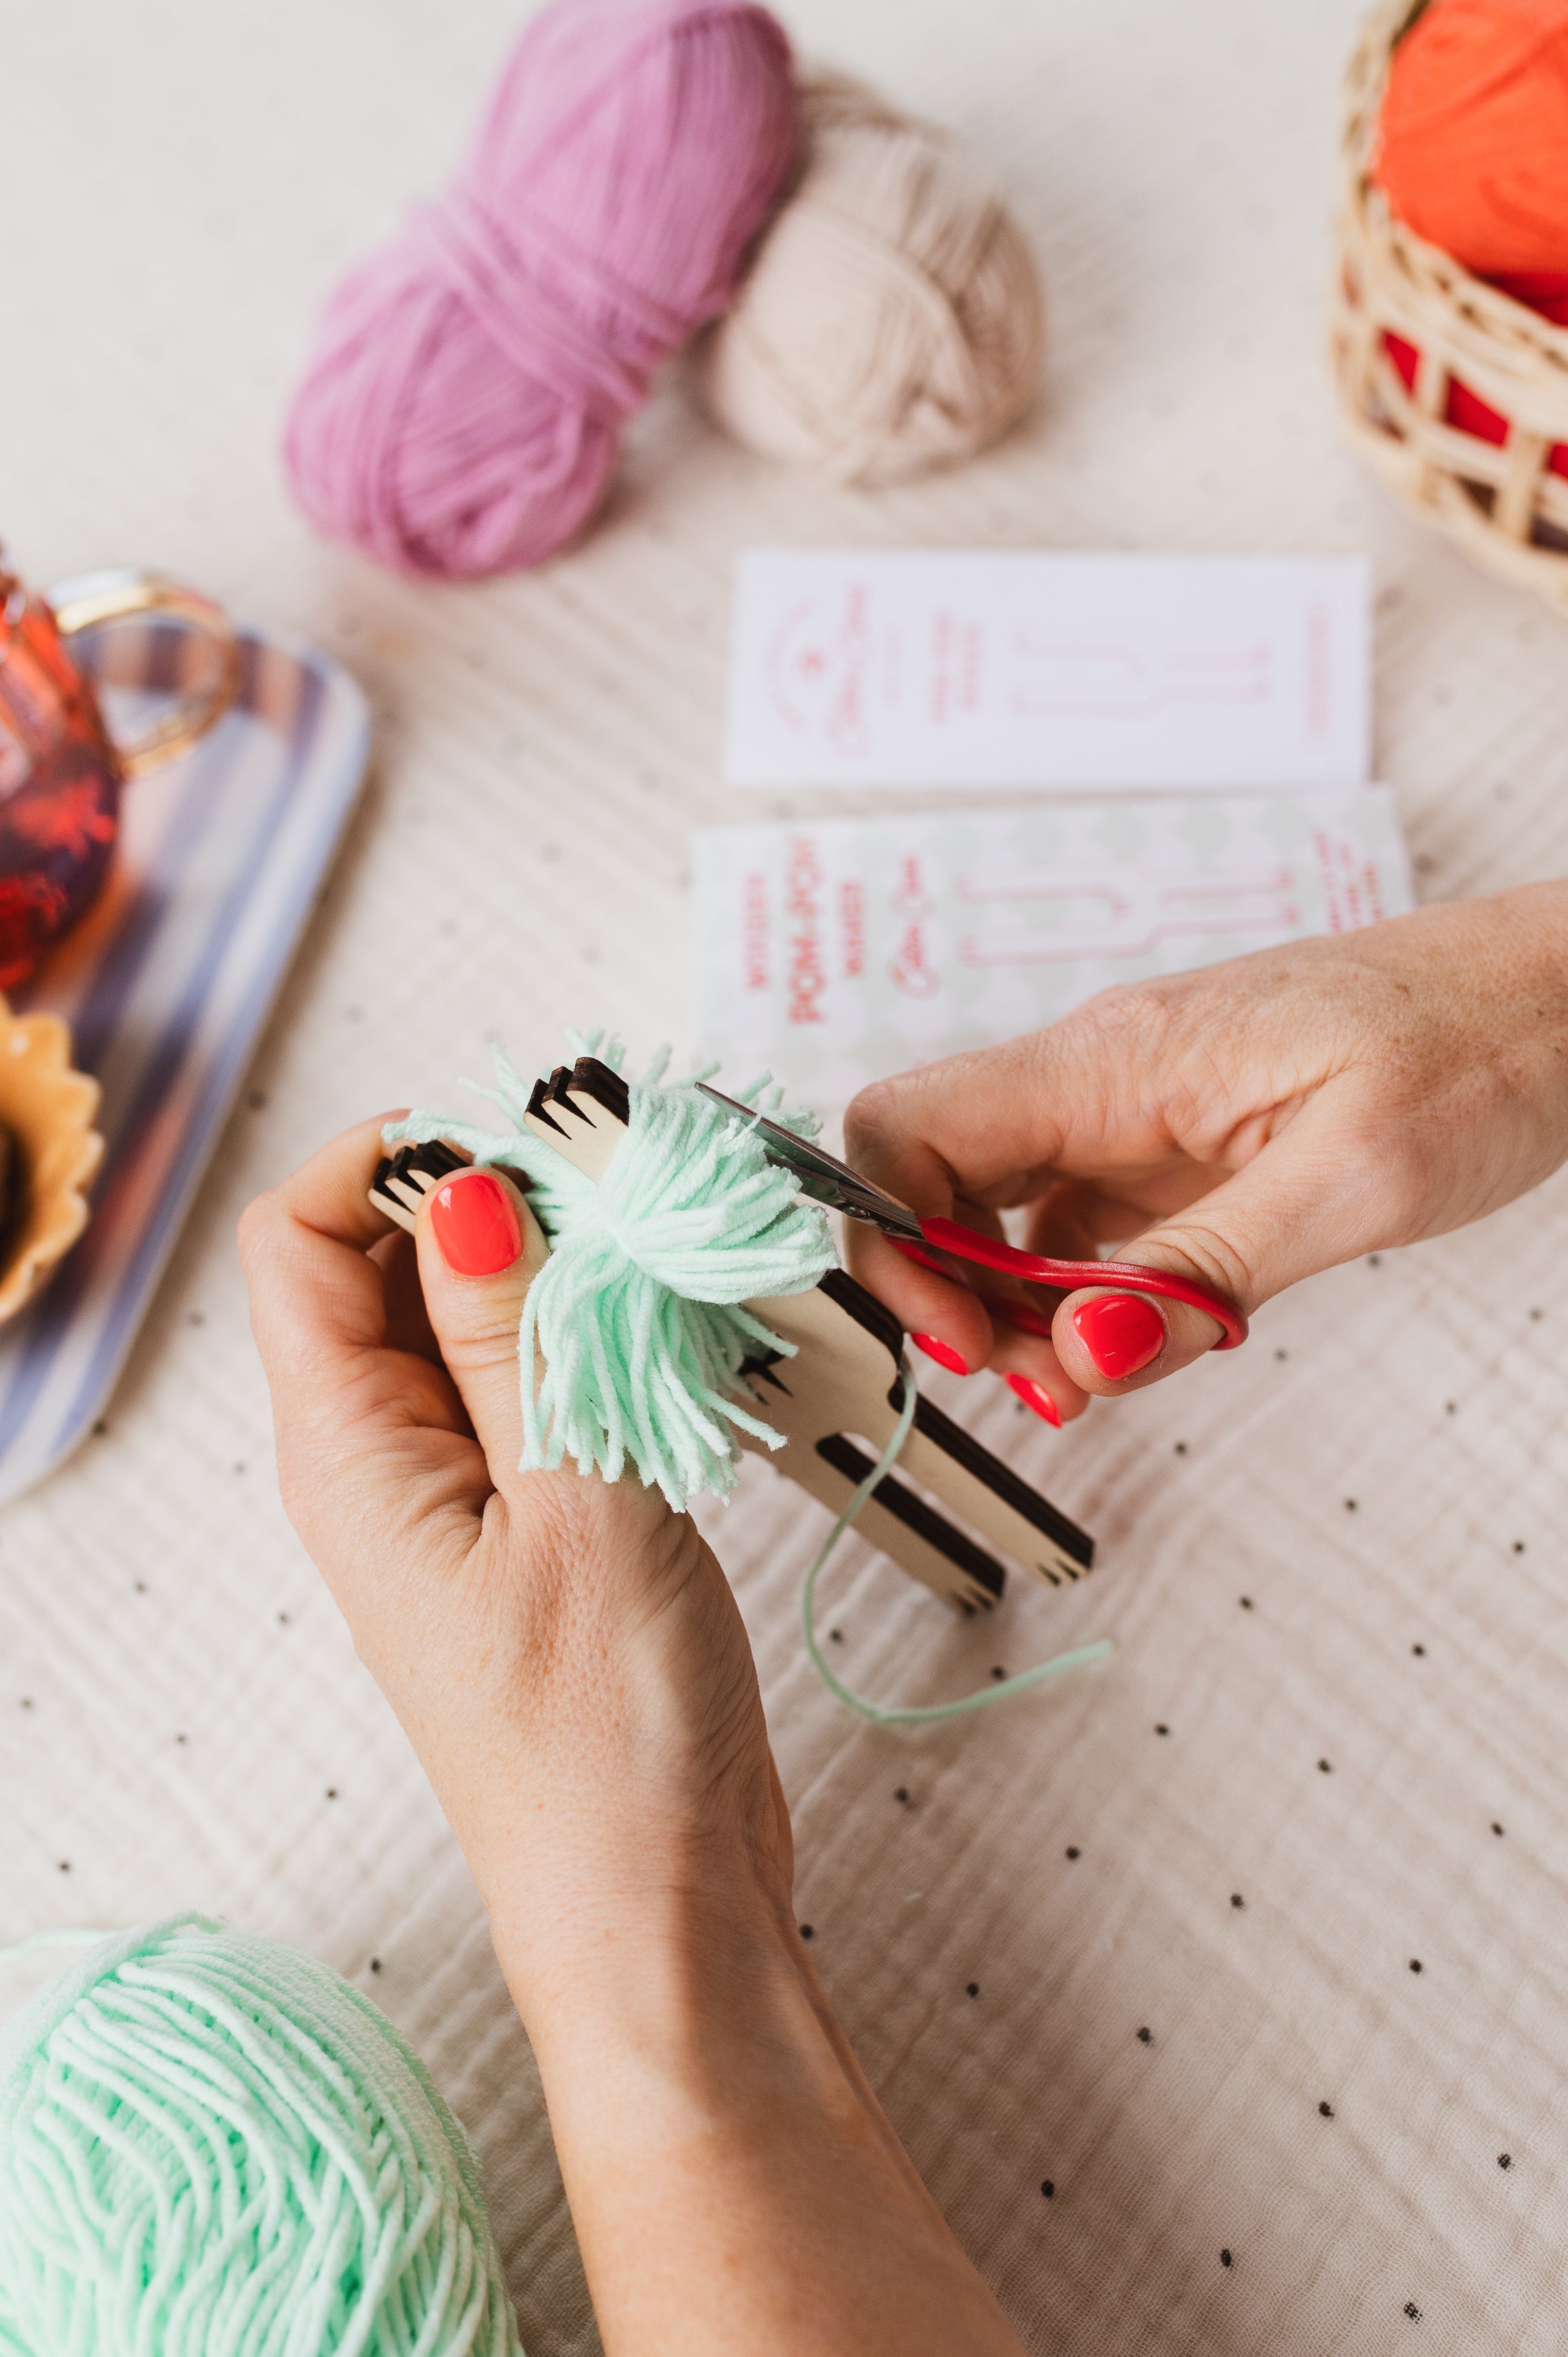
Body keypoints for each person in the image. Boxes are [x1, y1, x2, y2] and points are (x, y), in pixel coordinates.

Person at [238, 881, 1568, 2354]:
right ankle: (989, 1559)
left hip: (799, 1345)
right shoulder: (668, 1279)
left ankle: (1006, 1558)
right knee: (905, 1480)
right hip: (755, 1357)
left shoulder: (731, 1253)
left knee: (925, 1472)